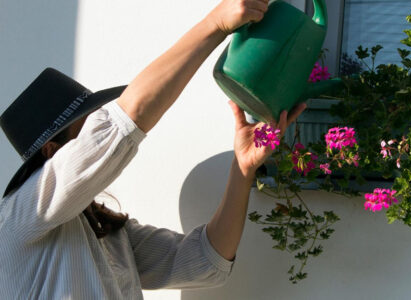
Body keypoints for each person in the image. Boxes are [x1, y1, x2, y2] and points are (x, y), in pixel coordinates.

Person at [0, 0, 306, 299]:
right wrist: (213, 25)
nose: (97, 132)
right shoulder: (21, 215)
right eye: (86, 130)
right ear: (53, 153)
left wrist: (243, 168)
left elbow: (206, 262)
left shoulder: (105, 230)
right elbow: (121, 125)